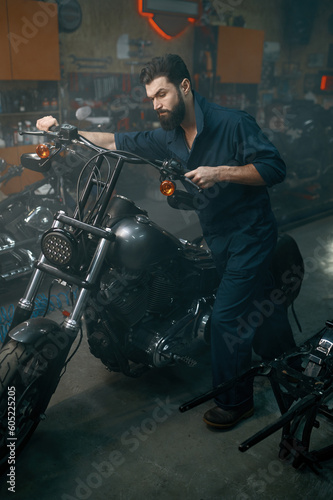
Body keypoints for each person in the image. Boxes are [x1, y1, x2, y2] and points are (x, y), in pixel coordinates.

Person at [37, 54, 296, 430]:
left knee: (227, 320)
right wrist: (66, 131)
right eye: (151, 98)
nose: (156, 104)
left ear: (185, 87)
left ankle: (235, 402)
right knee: (262, 301)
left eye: (162, 94)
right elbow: (114, 139)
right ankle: (288, 357)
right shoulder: (168, 136)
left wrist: (219, 172)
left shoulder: (232, 123)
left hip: (251, 235)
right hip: (218, 237)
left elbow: (275, 168)